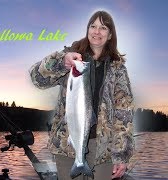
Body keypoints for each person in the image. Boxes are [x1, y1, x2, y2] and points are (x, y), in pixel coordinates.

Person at [29, 10, 135, 179]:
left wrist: (122, 154)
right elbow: (36, 78)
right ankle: (79, 161)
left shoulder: (118, 69)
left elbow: (124, 113)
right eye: (93, 26)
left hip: (104, 149)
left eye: (103, 28)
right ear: (87, 30)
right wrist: (60, 63)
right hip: (67, 145)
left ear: (110, 35)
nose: (97, 31)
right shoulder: (71, 58)